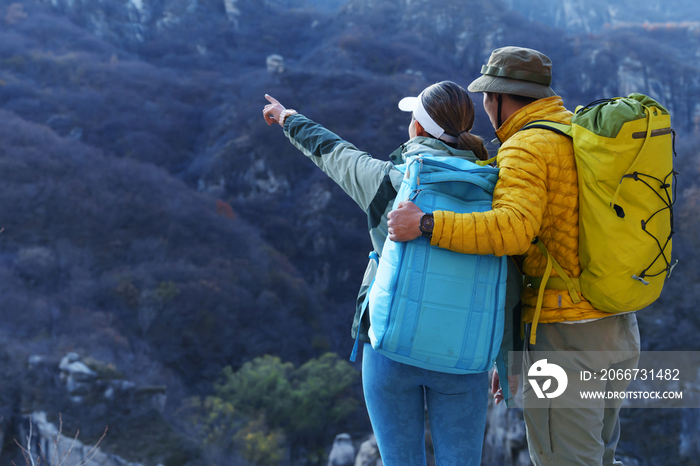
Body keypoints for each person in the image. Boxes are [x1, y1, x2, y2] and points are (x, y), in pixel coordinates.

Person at [386, 47, 640, 466]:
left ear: (497, 98)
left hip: (565, 337)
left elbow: (512, 231)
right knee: (599, 454)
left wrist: (428, 224)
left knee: (565, 459)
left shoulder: (526, 147)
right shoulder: (578, 130)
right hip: (617, 325)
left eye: (486, 96)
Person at [263, 81, 517, 465]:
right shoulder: (496, 190)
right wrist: (506, 355)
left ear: (417, 128)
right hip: (465, 358)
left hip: (391, 349)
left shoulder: (391, 182)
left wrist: (288, 118)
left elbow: (334, 153)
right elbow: (510, 276)